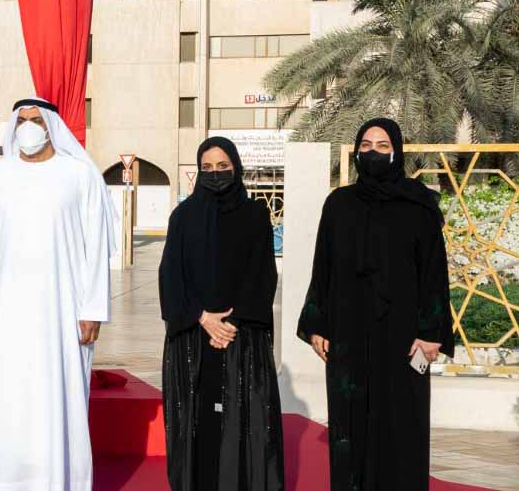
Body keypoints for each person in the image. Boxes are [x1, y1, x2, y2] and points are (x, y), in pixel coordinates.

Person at [0, 97, 118, 491]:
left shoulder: (78, 175)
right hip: (4, 313)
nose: (28, 126)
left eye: (36, 119)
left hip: (61, 314)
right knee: (10, 402)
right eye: (22, 120)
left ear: (51, 126)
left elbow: (96, 247)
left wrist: (93, 308)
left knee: (58, 402)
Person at [298, 118, 453, 491]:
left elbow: (434, 273)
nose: (372, 152)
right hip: (349, 337)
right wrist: (318, 324)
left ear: (397, 151)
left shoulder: (419, 206)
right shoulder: (339, 205)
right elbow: (324, 266)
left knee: (401, 424)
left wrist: (431, 333)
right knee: (350, 425)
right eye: (365, 145)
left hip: (403, 339)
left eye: (382, 146)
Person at [158, 136, 285, 491]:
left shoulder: (255, 214)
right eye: (207, 168)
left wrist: (231, 322)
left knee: (242, 424)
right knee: (197, 426)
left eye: (223, 167)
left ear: (236, 167)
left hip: (242, 338)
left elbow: (263, 275)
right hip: (192, 341)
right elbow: (171, 276)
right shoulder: (183, 217)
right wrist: (202, 317)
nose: (215, 174)